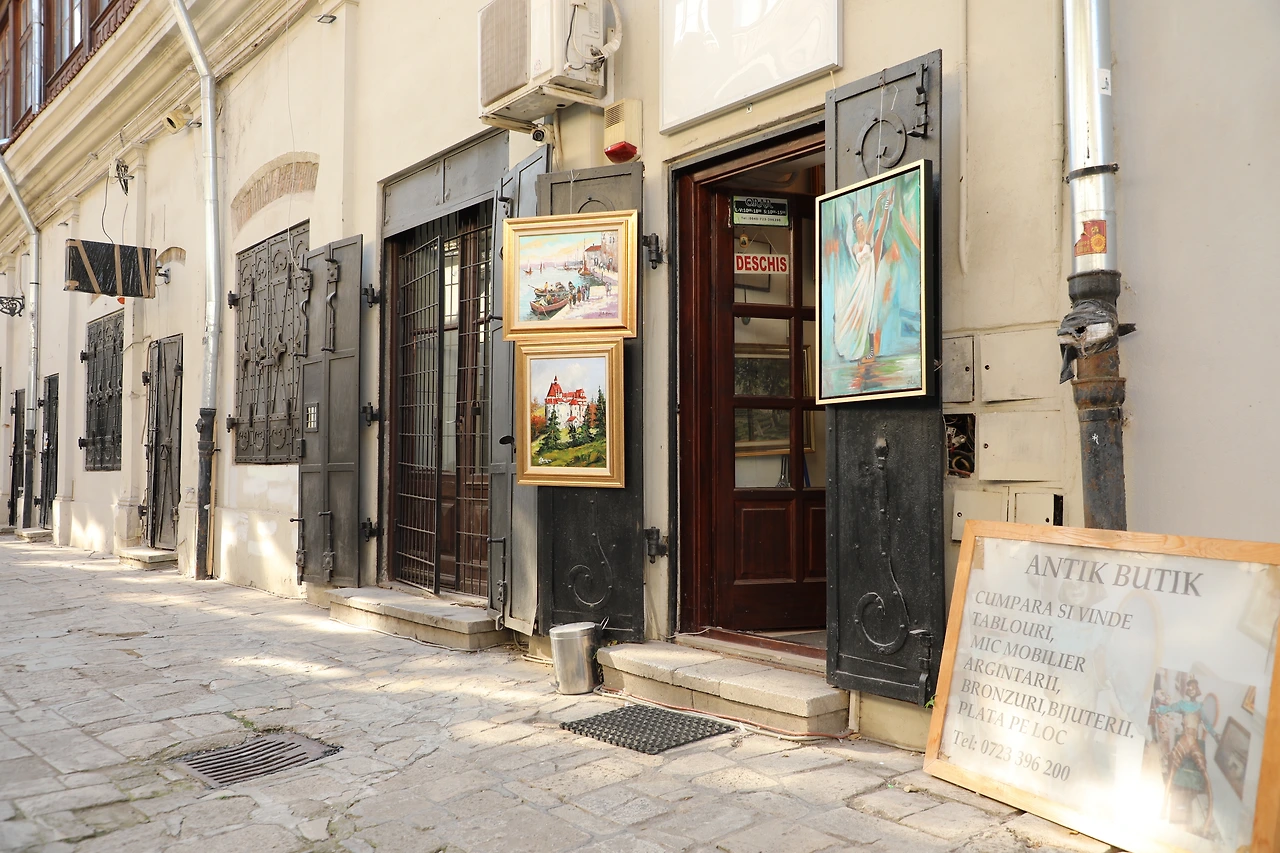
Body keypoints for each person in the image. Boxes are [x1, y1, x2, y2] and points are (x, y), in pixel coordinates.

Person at [832, 188, 893, 363]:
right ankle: (856, 344)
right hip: (861, 281)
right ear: (854, 227)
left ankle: (871, 351)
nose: (862, 223)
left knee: (871, 313)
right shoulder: (854, 247)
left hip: (870, 280)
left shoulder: (869, 240)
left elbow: (876, 226)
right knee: (855, 312)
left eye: (862, 221)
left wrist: (881, 205)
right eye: (858, 222)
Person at [1155, 678, 1219, 836]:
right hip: (1184, 740)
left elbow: (1207, 724)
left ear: (1197, 690)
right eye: (1189, 687)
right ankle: (1163, 808)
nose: (1191, 689)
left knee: (1205, 773)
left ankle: (1208, 820)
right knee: (1172, 771)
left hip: (1193, 742)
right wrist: (1159, 710)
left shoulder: (1200, 708)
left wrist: (1216, 735)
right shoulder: (1182, 704)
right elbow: (1169, 708)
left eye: (1193, 687)